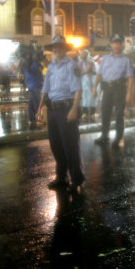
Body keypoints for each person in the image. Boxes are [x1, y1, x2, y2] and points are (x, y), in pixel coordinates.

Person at [37, 35, 84, 192]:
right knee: (56, 144)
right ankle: (61, 177)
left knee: (70, 145)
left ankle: (76, 178)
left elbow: (78, 89)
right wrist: (40, 107)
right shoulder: (51, 67)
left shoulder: (71, 65)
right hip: (53, 110)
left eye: (60, 47)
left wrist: (74, 108)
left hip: (66, 108)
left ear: (65, 49)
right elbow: (46, 87)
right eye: (54, 47)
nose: (57, 50)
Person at [93, 34, 134, 147]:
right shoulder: (105, 58)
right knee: (105, 111)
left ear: (121, 45)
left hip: (119, 88)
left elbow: (130, 77)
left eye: (118, 43)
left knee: (119, 113)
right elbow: (99, 74)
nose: (116, 45)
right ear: (111, 45)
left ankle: (118, 137)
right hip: (106, 88)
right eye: (114, 43)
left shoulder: (126, 59)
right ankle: (104, 135)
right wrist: (94, 87)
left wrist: (129, 93)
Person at [17, 42, 45, 129]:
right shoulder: (32, 63)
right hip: (35, 83)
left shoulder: (24, 62)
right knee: (37, 102)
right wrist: (38, 63)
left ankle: (31, 118)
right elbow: (36, 69)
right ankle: (38, 118)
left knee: (32, 102)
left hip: (31, 83)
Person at [79, 49, 98, 120]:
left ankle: (92, 112)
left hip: (91, 81)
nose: (82, 56)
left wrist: (82, 73)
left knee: (92, 96)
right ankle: (85, 112)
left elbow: (89, 70)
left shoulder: (91, 62)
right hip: (83, 82)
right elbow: (79, 71)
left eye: (83, 54)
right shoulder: (80, 62)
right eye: (81, 54)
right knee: (84, 96)